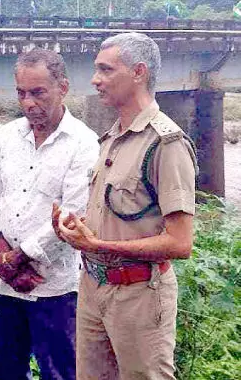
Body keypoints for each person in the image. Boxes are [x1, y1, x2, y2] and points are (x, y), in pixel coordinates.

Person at [56, 32, 196, 380]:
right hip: (93, 288)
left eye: (105, 70)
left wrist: (99, 245)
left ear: (138, 72)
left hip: (139, 296)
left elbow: (180, 243)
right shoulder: (112, 138)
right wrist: (79, 226)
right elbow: (118, 215)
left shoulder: (166, 144)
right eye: (96, 70)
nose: (95, 80)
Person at [0, 49, 99, 380]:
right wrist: (5, 256)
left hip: (55, 285)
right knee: (5, 370)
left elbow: (73, 215)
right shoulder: (5, 137)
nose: (28, 102)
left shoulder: (84, 143)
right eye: (21, 93)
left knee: (59, 371)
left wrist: (18, 259)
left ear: (63, 87)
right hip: (7, 284)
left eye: (38, 92)